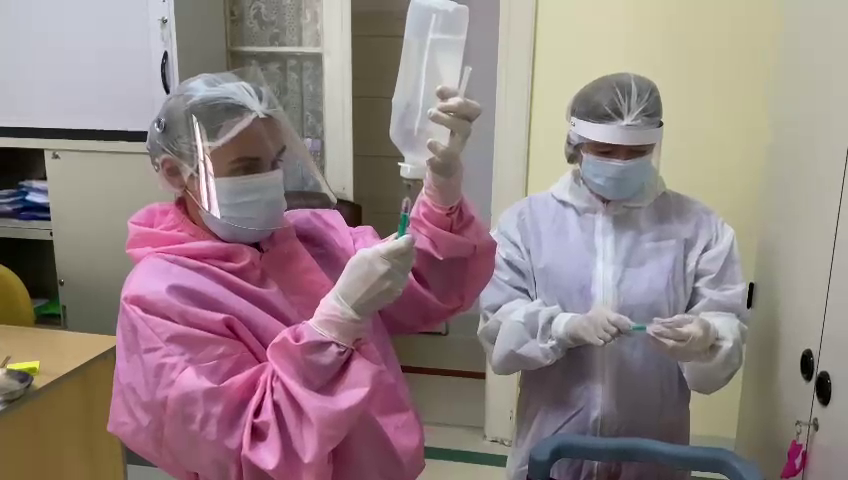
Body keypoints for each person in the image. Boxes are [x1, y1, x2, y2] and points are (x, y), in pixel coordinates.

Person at [108, 67, 496, 480]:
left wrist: (441, 189)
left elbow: (425, 284)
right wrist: (336, 322)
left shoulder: (311, 235)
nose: (268, 181)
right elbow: (251, 447)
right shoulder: (160, 297)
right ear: (174, 172)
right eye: (245, 168)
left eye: (274, 162)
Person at [478, 73, 747, 480]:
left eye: (636, 153)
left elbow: (725, 320)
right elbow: (497, 326)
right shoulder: (527, 224)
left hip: (654, 447)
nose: (621, 163)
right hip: (553, 445)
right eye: (605, 151)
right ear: (576, 146)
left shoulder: (698, 227)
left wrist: (707, 335)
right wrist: (564, 327)